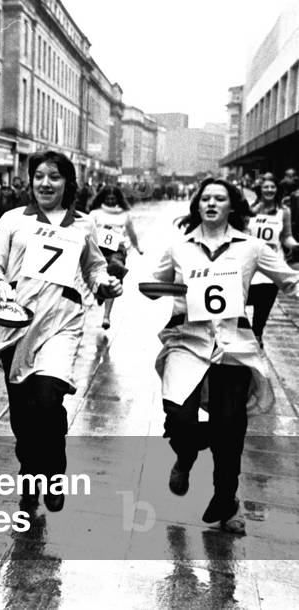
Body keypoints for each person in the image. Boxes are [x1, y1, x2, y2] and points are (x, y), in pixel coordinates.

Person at [152, 178, 299, 534]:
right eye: (206, 199)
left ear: (233, 205)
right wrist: (157, 291)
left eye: (220, 198)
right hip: (188, 340)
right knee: (179, 417)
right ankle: (185, 455)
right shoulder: (180, 246)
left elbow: (288, 279)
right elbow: (156, 281)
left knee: (229, 429)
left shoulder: (251, 247)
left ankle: (226, 500)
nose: (212, 204)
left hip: (233, 346)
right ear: (197, 205)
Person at [0, 151, 121, 512]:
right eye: (39, 176)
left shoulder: (83, 224)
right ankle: (30, 475)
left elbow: (95, 268)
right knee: (22, 419)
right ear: (30, 182)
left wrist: (105, 284)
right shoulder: (14, 220)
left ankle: (54, 472)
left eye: (54, 177)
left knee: (47, 401)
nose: (45, 183)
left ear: (67, 183)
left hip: (62, 324)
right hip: (18, 324)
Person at [244, 176, 298, 345]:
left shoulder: (284, 211)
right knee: (239, 304)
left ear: (277, 190)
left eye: (272, 187)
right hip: (250, 266)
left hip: (271, 269)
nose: (269, 190)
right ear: (260, 190)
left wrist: (296, 246)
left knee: (261, 315)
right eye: (265, 187)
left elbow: (286, 236)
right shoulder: (250, 210)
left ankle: (257, 340)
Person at [87, 186, 143, 330]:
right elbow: (86, 232)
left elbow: (131, 232)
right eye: (108, 199)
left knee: (113, 279)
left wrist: (137, 247)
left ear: (118, 199)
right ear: (102, 199)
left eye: (113, 199)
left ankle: (106, 315)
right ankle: (100, 294)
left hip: (117, 251)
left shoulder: (124, 215)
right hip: (98, 250)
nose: (111, 201)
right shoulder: (95, 214)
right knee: (98, 277)